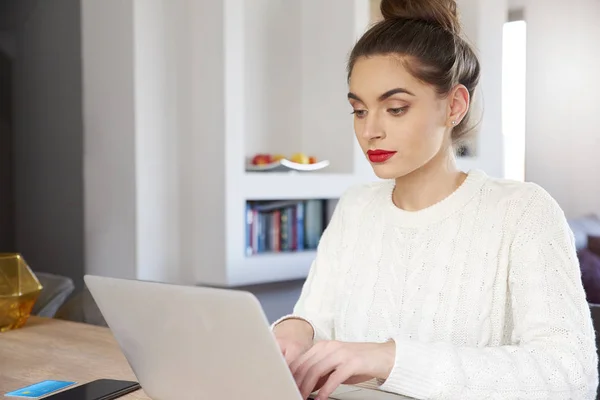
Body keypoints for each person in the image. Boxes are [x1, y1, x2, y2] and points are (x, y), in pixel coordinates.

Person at [271, 0, 599, 399]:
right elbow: (316, 321)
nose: (369, 130)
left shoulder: (523, 211)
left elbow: (569, 376)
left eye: (395, 109)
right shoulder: (356, 207)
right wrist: (295, 330)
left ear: (454, 106)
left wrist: (391, 360)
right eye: (358, 110)